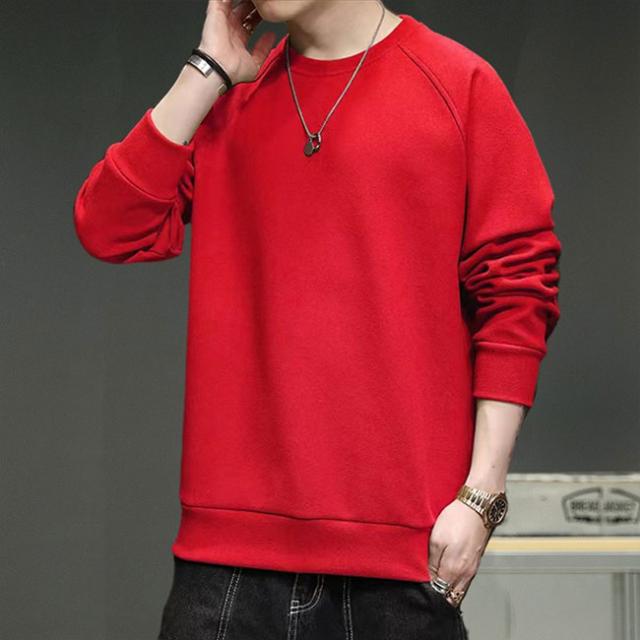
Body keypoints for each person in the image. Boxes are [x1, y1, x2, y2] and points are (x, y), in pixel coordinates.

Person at [72, 0, 562, 638]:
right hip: (227, 564)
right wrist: (208, 68)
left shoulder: (457, 84)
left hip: (399, 565)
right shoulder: (228, 100)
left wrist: (481, 496)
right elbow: (109, 226)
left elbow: (517, 293)